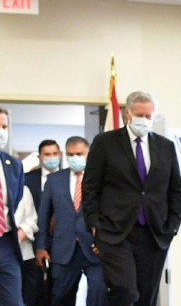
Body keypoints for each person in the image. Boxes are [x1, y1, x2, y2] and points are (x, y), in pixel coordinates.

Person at [83, 91, 181, 306]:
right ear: (127, 113)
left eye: (149, 116)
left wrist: (173, 225)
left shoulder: (166, 147)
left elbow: (175, 190)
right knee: (126, 292)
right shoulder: (105, 143)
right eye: (139, 115)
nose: (144, 120)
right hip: (115, 231)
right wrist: (94, 224)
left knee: (146, 297)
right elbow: (90, 187)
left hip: (154, 232)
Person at [36, 137, 105, 306]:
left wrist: (106, 240)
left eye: (79, 154)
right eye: (70, 155)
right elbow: (44, 215)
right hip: (63, 248)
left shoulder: (102, 179)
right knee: (60, 296)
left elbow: (110, 213)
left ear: (88, 154)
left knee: (98, 294)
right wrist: (41, 246)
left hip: (94, 248)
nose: (75, 158)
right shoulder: (54, 180)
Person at [24, 139, 62, 306]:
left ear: (60, 155)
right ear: (40, 156)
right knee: (33, 288)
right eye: (47, 154)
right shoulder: (27, 179)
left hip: (61, 241)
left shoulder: (69, 178)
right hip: (33, 240)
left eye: (54, 153)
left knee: (59, 289)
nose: (51, 157)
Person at [0, 107, 25, 306]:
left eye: (4, 126)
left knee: (13, 301)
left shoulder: (13, 165)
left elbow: (13, 202)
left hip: (6, 244)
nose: (2, 131)